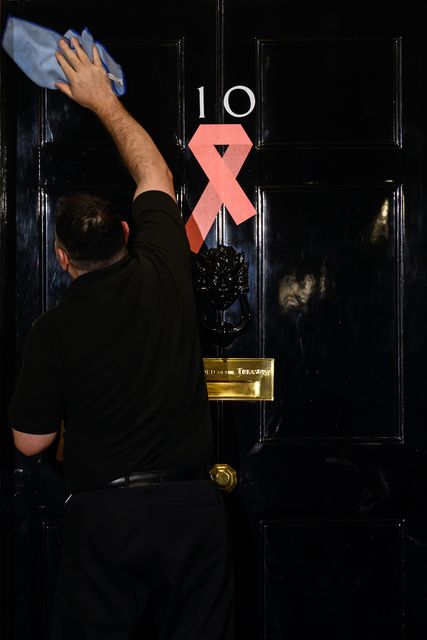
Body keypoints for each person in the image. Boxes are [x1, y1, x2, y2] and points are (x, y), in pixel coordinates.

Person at [8, 37, 233, 640]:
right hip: (192, 511)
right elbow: (152, 170)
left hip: (107, 519)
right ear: (129, 232)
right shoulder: (164, 263)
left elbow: (30, 444)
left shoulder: (52, 331)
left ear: (61, 259)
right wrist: (103, 99)